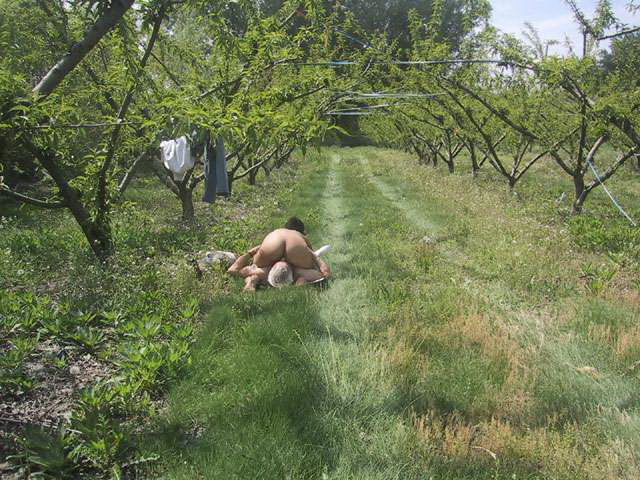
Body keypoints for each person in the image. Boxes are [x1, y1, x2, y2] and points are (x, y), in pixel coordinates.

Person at [227, 216, 331, 292]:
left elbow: (234, 270)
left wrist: (250, 253)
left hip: (273, 243)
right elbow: (315, 261)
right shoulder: (299, 236)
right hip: (296, 248)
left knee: (256, 267)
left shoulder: (277, 232)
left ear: (285, 227)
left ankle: (253, 279)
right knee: (312, 271)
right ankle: (300, 280)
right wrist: (321, 265)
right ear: (302, 232)